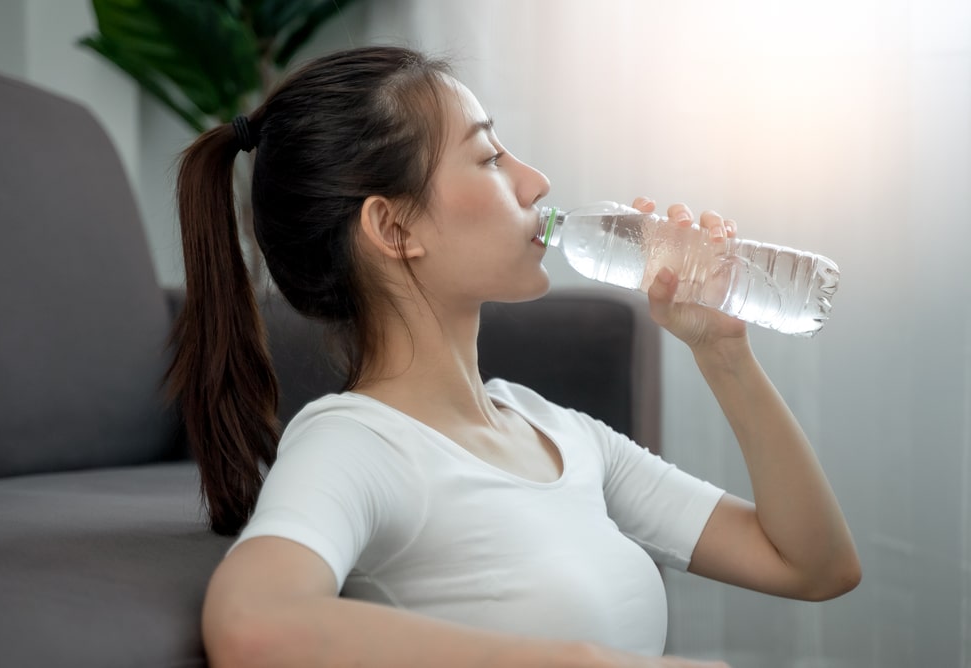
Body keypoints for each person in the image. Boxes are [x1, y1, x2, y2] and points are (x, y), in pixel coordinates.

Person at [168, 46, 861, 668]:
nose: (536, 182)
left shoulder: (557, 432)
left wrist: (724, 353)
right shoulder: (356, 444)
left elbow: (814, 566)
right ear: (394, 226)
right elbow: (251, 626)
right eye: (490, 158)